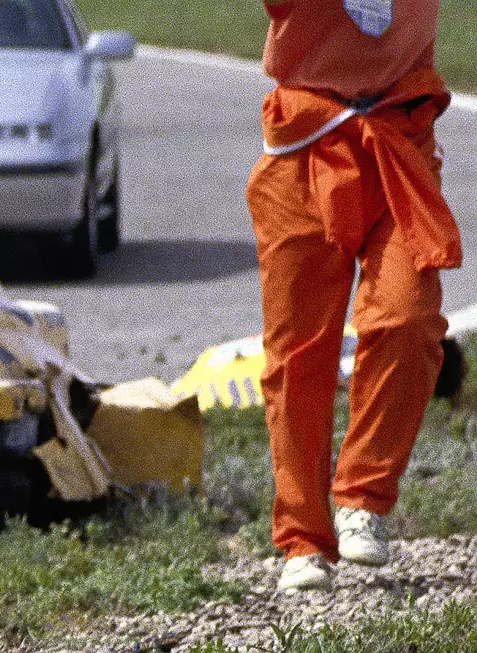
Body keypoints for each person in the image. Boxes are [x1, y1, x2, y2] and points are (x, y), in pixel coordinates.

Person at [246, 0, 462, 590]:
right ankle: (302, 540)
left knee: (409, 319)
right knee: (299, 355)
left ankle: (362, 501)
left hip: (397, 143)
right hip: (304, 150)